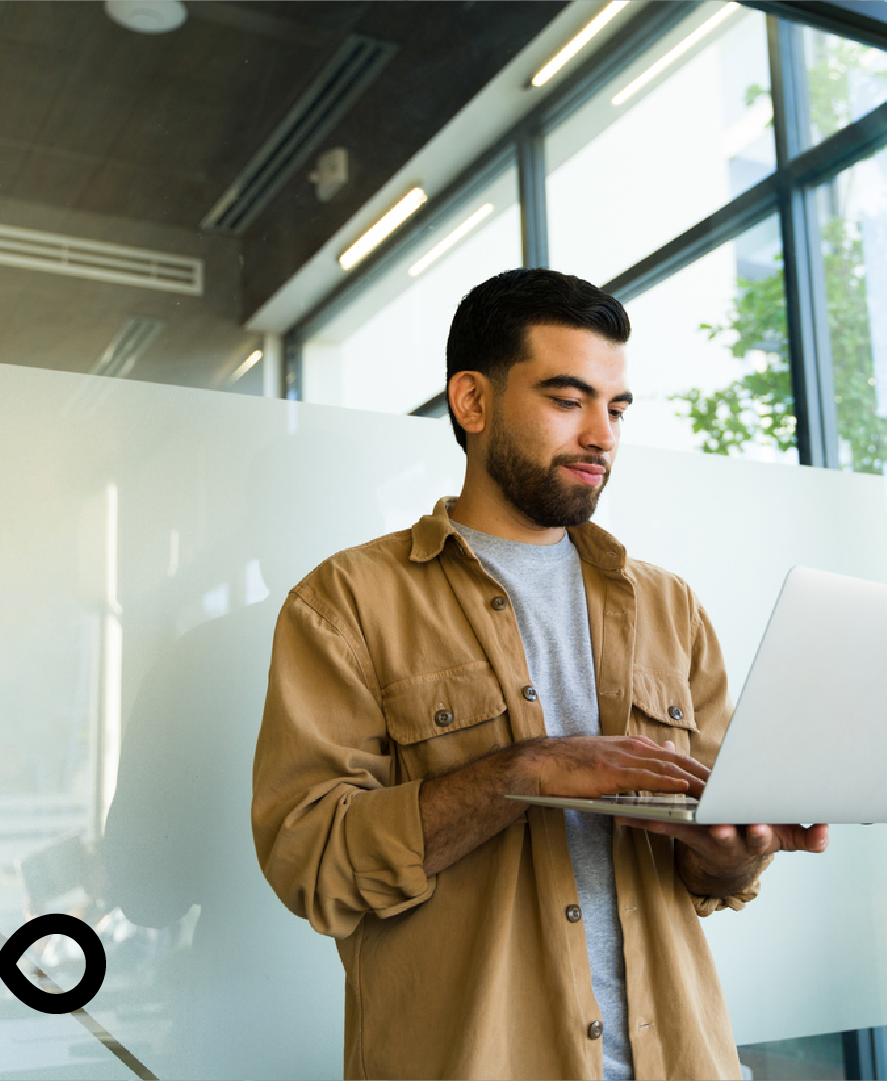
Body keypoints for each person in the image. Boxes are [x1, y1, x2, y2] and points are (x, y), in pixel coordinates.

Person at [251, 268, 829, 1081]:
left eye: (616, 407)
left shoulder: (669, 606)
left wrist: (736, 854)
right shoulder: (344, 602)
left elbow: (709, 873)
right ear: (473, 403)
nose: (603, 434)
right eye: (568, 400)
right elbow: (310, 861)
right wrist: (522, 773)